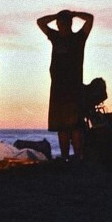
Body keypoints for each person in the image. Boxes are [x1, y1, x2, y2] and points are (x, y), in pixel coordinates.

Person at [37, 10, 94, 160]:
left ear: (69, 24)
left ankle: (77, 157)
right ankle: (64, 157)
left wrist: (74, 13)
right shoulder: (55, 37)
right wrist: (56, 15)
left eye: (63, 23)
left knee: (75, 126)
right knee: (61, 127)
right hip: (57, 89)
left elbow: (90, 19)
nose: (60, 26)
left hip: (74, 89)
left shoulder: (78, 38)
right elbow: (40, 22)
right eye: (59, 23)